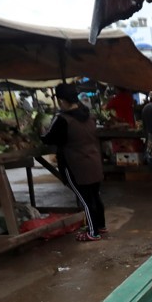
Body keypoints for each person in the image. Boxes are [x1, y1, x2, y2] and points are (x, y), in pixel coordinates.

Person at [41, 83, 106, 241]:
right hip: (94, 162)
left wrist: (41, 132)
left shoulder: (63, 120)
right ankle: (101, 226)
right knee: (95, 196)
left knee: (85, 199)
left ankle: (93, 232)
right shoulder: (89, 115)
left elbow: (48, 138)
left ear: (61, 100)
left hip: (75, 165)